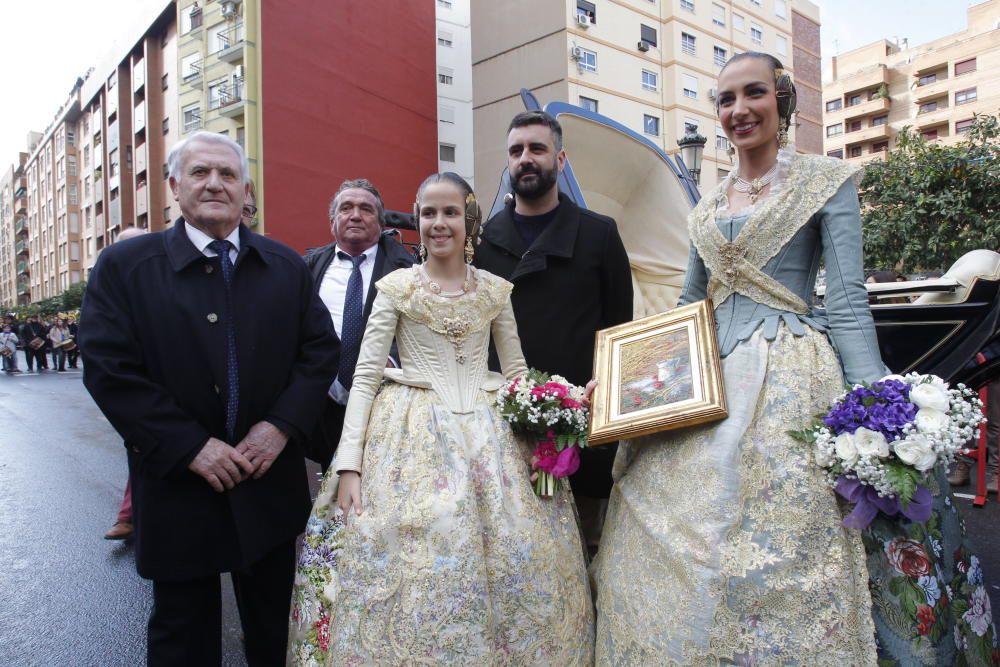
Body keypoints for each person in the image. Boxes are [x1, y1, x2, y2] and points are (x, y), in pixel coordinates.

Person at [591, 52, 996, 665]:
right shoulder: (705, 206)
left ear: (782, 100)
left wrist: (876, 407)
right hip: (707, 378)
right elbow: (688, 307)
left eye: (752, 93)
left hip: (791, 369)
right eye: (725, 100)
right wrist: (634, 385)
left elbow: (850, 301)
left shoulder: (826, 182)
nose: (737, 110)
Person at [287, 172, 594, 665]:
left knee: (515, 560)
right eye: (428, 213)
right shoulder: (396, 288)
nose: (438, 223)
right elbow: (366, 377)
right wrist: (349, 465)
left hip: (492, 437)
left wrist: (545, 438)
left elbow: (516, 373)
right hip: (409, 434)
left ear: (467, 219)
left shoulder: (496, 290)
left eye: (450, 212)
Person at [79, 130, 339, 666]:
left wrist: (280, 427)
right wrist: (190, 446)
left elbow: (319, 353)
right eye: (200, 173)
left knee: (275, 631)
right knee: (184, 634)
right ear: (175, 185)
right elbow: (109, 370)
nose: (215, 184)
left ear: (246, 190)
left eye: (228, 174)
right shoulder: (125, 267)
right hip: (178, 484)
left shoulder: (285, 265)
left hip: (268, 482)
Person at [473, 110, 633, 547]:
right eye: (516, 151)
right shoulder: (484, 243)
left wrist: (597, 412)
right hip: (505, 427)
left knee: (586, 550)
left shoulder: (599, 234)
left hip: (581, 433)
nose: (526, 158)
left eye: (537, 149)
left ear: (560, 160)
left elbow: (620, 333)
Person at [303, 178, 415, 471]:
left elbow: (420, 330)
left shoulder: (409, 270)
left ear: (380, 222)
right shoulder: (307, 269)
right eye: (346, 208)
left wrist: (390, 362)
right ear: (333, 221)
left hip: (383, 404)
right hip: (320, 407)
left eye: (365, 209)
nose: (355, 215)